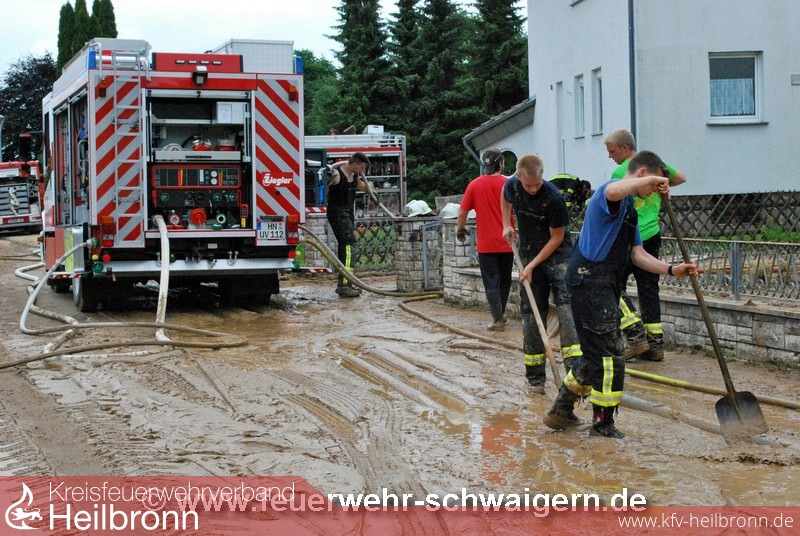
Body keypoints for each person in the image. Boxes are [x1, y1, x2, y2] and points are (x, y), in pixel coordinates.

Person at [544, 150, 696, 438]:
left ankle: (562, 408)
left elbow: (638, 255)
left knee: (596, 354)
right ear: (643, 174)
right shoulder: (610, 193)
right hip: (588, 281)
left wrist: (672, 269)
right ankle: (603, 424)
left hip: (605, 285)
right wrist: (652, 180)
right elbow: (615, 190)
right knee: (611, 356)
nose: (654, 192)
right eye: (653, 184)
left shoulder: (630, 212)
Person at [501, 155, 583, 393]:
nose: (533, 189)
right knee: (531, 315)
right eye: (528, 185)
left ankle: (574, 378)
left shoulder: (554, 198)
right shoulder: (512, 185)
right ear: (519, 177)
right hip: (528, 251)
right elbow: (505, 197)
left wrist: (531, 266)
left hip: (559, 256)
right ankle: (535, 379)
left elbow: (556, 238)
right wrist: (506, 224)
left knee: (567, 314)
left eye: (537, 184)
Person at [604, 129, 687, 361]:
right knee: (649, 290)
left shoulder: (623, 172)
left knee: (613, 286)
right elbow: (680, 177)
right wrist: (662, 183)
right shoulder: (656, 166)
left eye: (612, 151)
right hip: (652, 234)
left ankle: (636, 336)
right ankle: (656, 345)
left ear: (625, 148)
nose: (610, 156)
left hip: (629, 236)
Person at [457, 148, 514, 331]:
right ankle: (500, 315)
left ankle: (497, 319)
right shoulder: (509, 184)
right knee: (504, 280)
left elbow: (462, 212)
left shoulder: (474, 185)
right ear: (501, 164)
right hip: (507, 242)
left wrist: (461, 229)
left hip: (486, 245)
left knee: (491, 281)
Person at [326, 152, 371, 297]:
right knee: (349, 246)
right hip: (337, 214)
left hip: (348, 214)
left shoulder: (354, 176)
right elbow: (324, 186)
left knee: (345, 247)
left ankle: (344, 283)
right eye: (362, 168)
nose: (362, 171)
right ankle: (345, 285)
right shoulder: (337, 175)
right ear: (355, 164)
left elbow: (362, 187)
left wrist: (371, 190)